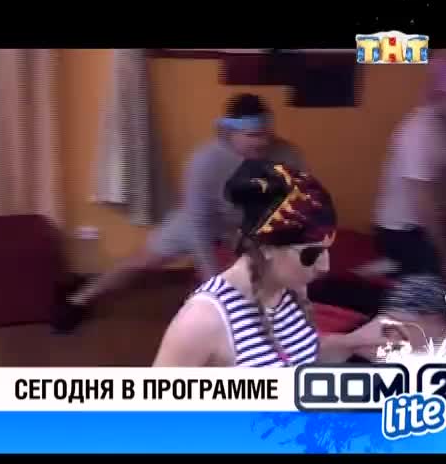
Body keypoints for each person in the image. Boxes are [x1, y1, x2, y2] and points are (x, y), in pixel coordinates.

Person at [52, 93, 307, 333]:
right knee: (140, 261)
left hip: (247, 225)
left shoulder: (288, 155)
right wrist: (211, 279)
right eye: (253, 135)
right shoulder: (205, 161)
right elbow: (198, 225)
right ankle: (79, 299)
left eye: (266, 134)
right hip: (199, 221)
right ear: (230, 132)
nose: (262, 142)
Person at [153, 161, 398, 367]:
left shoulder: (290, 289)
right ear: (267, 247)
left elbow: (299, 358)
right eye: (311, 254)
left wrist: (355, 341)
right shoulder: (203, 319)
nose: (325, 266)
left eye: (326, 250)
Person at [373, 56, 446, 288]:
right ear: (438, 96)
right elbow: (424, 204)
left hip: (441, 223)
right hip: (400, 230)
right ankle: (396, 267)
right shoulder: (417, 131)